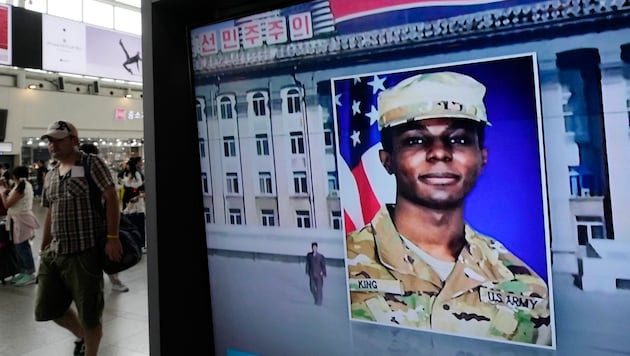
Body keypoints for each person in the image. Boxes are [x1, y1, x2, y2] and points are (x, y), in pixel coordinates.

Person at [346, 72, 551, 345]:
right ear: (387, 160)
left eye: (458, 139)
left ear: (482, 158)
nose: (440, 152)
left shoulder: (528, 288)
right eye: (416, 140)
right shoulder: (344, 266)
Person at [36, 121, 122, 356]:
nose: (52, 145)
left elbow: (111, 197)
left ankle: (90, 349)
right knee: (48, 308)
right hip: (55, 252)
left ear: (74, 140)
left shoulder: (90, 163)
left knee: (90, 314)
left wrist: (112, 237)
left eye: (58, 139)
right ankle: (83, 337)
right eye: (49, 140)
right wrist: (44, 248)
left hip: (84, 252)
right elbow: (50, 212)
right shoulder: (51, 174)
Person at [79, 143, 130, 293]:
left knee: (105, 251)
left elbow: (110, 196)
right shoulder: (80, 169)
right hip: (98, 217)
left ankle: (113, 280)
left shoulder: (94, 167)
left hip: (98, 218)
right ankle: (114, 280)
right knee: (103, 253)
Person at [0, 166, 40, 287]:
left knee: (23, 247)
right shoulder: (21, 185)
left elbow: (7, 204)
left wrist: (2, 192)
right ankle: (23, 271)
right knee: (18, 247)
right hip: (17, 219)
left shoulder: (22, 186)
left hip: (21, 220)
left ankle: (30, 273)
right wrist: (6, 189)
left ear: (14, 176)